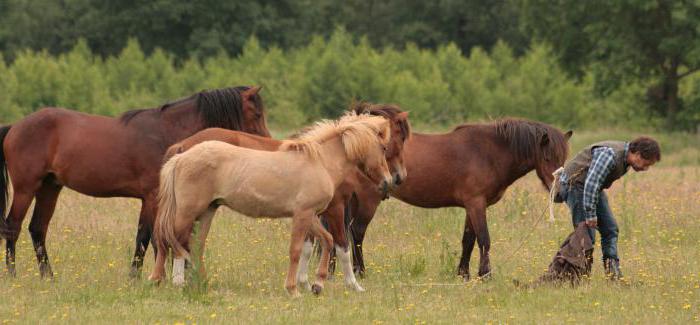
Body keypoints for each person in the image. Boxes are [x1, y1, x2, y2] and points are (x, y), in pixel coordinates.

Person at [556, 137, 661, 280]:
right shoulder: (610, 155)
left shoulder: (624, 159)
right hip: (576, 186)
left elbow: (594, 185)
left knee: (610, 229)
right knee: (585, 235)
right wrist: (590, 213)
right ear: (637, 154)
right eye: (646, 164)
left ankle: (614, 276)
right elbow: (591, 184)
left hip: (590, 189)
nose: (645, 168)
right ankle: (573, 277)